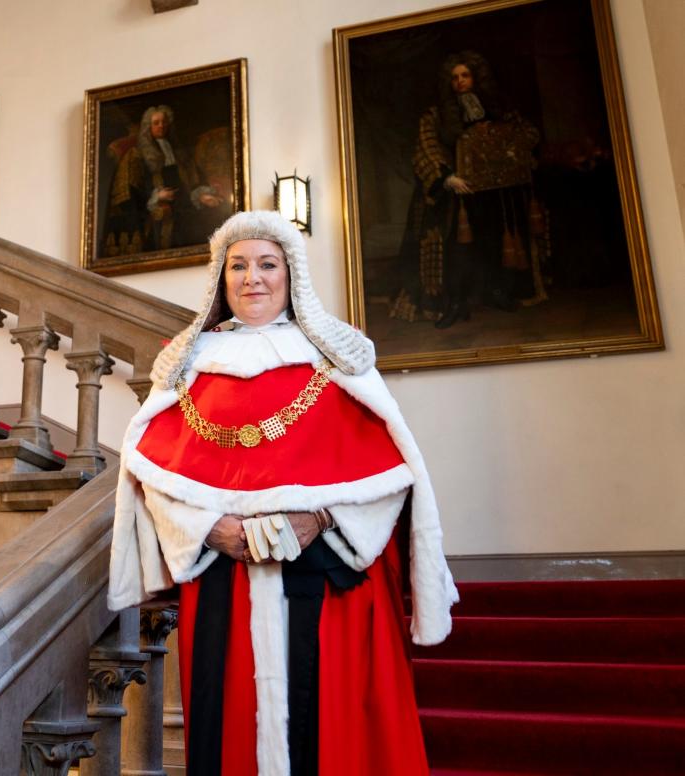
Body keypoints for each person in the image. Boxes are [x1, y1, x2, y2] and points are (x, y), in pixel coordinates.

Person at [109, 210, 457, 775]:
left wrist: (319, 517)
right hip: (225, 580)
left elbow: (391, 474)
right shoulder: (190, 364)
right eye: (238, 266)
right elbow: (153, 471)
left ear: (290, 275)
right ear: (221, 281)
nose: (253, 278)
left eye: (267, 264)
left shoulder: (338, 358)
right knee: (226, 733)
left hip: (325, 582)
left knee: (329, 736)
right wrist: (208, 529)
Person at [391, 50, 548, 329]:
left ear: (476, 77)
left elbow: (527, 135)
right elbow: (427, 147)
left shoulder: (498, 109)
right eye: (454, 77)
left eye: (465, 75)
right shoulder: (437, 115)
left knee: (494, 241)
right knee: (458, 251)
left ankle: (497, 291)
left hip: (497, 192)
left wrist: (510, 155)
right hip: (456, 195)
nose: (460, 82)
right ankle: (455, 302)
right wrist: (447, 177)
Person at [103, 105, 227, 257]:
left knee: (214, 215)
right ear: (148, 126)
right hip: (154, 207)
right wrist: (155, 196)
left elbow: (192, 180)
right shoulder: (136, 155)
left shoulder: (179, 152)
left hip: (184, 202)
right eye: (156, 123)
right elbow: (129, 191)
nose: (161, 126)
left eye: (164, 122)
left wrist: (200, 195)